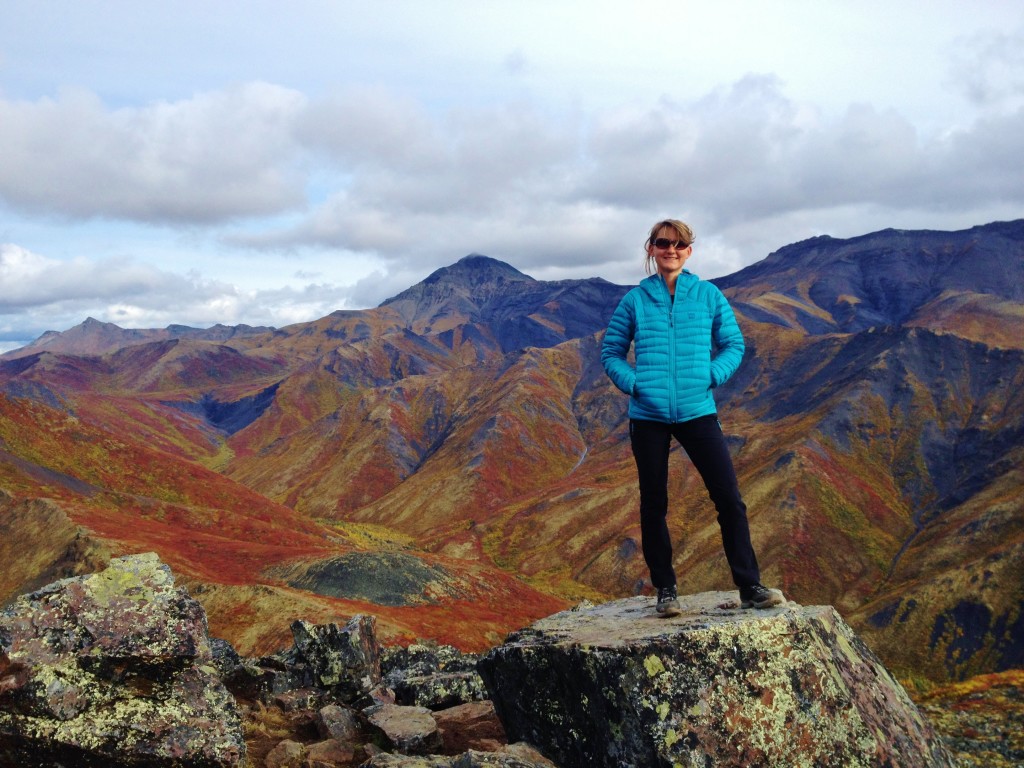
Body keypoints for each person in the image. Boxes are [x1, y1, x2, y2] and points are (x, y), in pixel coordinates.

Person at [601, 218, 784, 617]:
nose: (671, 250)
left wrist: (711, 376)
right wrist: (635, 385)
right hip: (647, 415)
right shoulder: (635, 300)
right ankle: (665, 590)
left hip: (698, 410)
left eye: (679, 244)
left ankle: (749, 586)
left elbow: (733, 344)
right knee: (654, 503)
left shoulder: (707, 296)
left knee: (728, 498)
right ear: (651, 249)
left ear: (689, 251)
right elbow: (611, 352)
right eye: (663, 243)